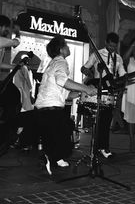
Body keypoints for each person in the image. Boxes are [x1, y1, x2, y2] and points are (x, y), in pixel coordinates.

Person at [35, 35, 97, 175]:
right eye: (66, 45)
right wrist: (86, 88)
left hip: (44, 110)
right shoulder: (61, 62)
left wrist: (73, 95)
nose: (68, 48)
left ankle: (52, 159)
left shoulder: (53, 63)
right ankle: (49, 159)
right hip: (51, 110)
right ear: (62, 49)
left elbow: (58, 90)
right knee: (66, 135)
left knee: (55, 138)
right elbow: (62, 81)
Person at [81, 32, 126, 158]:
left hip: (110, 91)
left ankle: (104, 148)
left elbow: (122, 74)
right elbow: (84, 68)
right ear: (106, 42)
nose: (112, 48)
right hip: (98, 89)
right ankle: (96, 148)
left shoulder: (119, 58)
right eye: (110, 45)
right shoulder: (97, 54)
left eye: (114, 47)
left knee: (106, 121)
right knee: (97, 120)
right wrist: (89, 73)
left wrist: (124, 79)